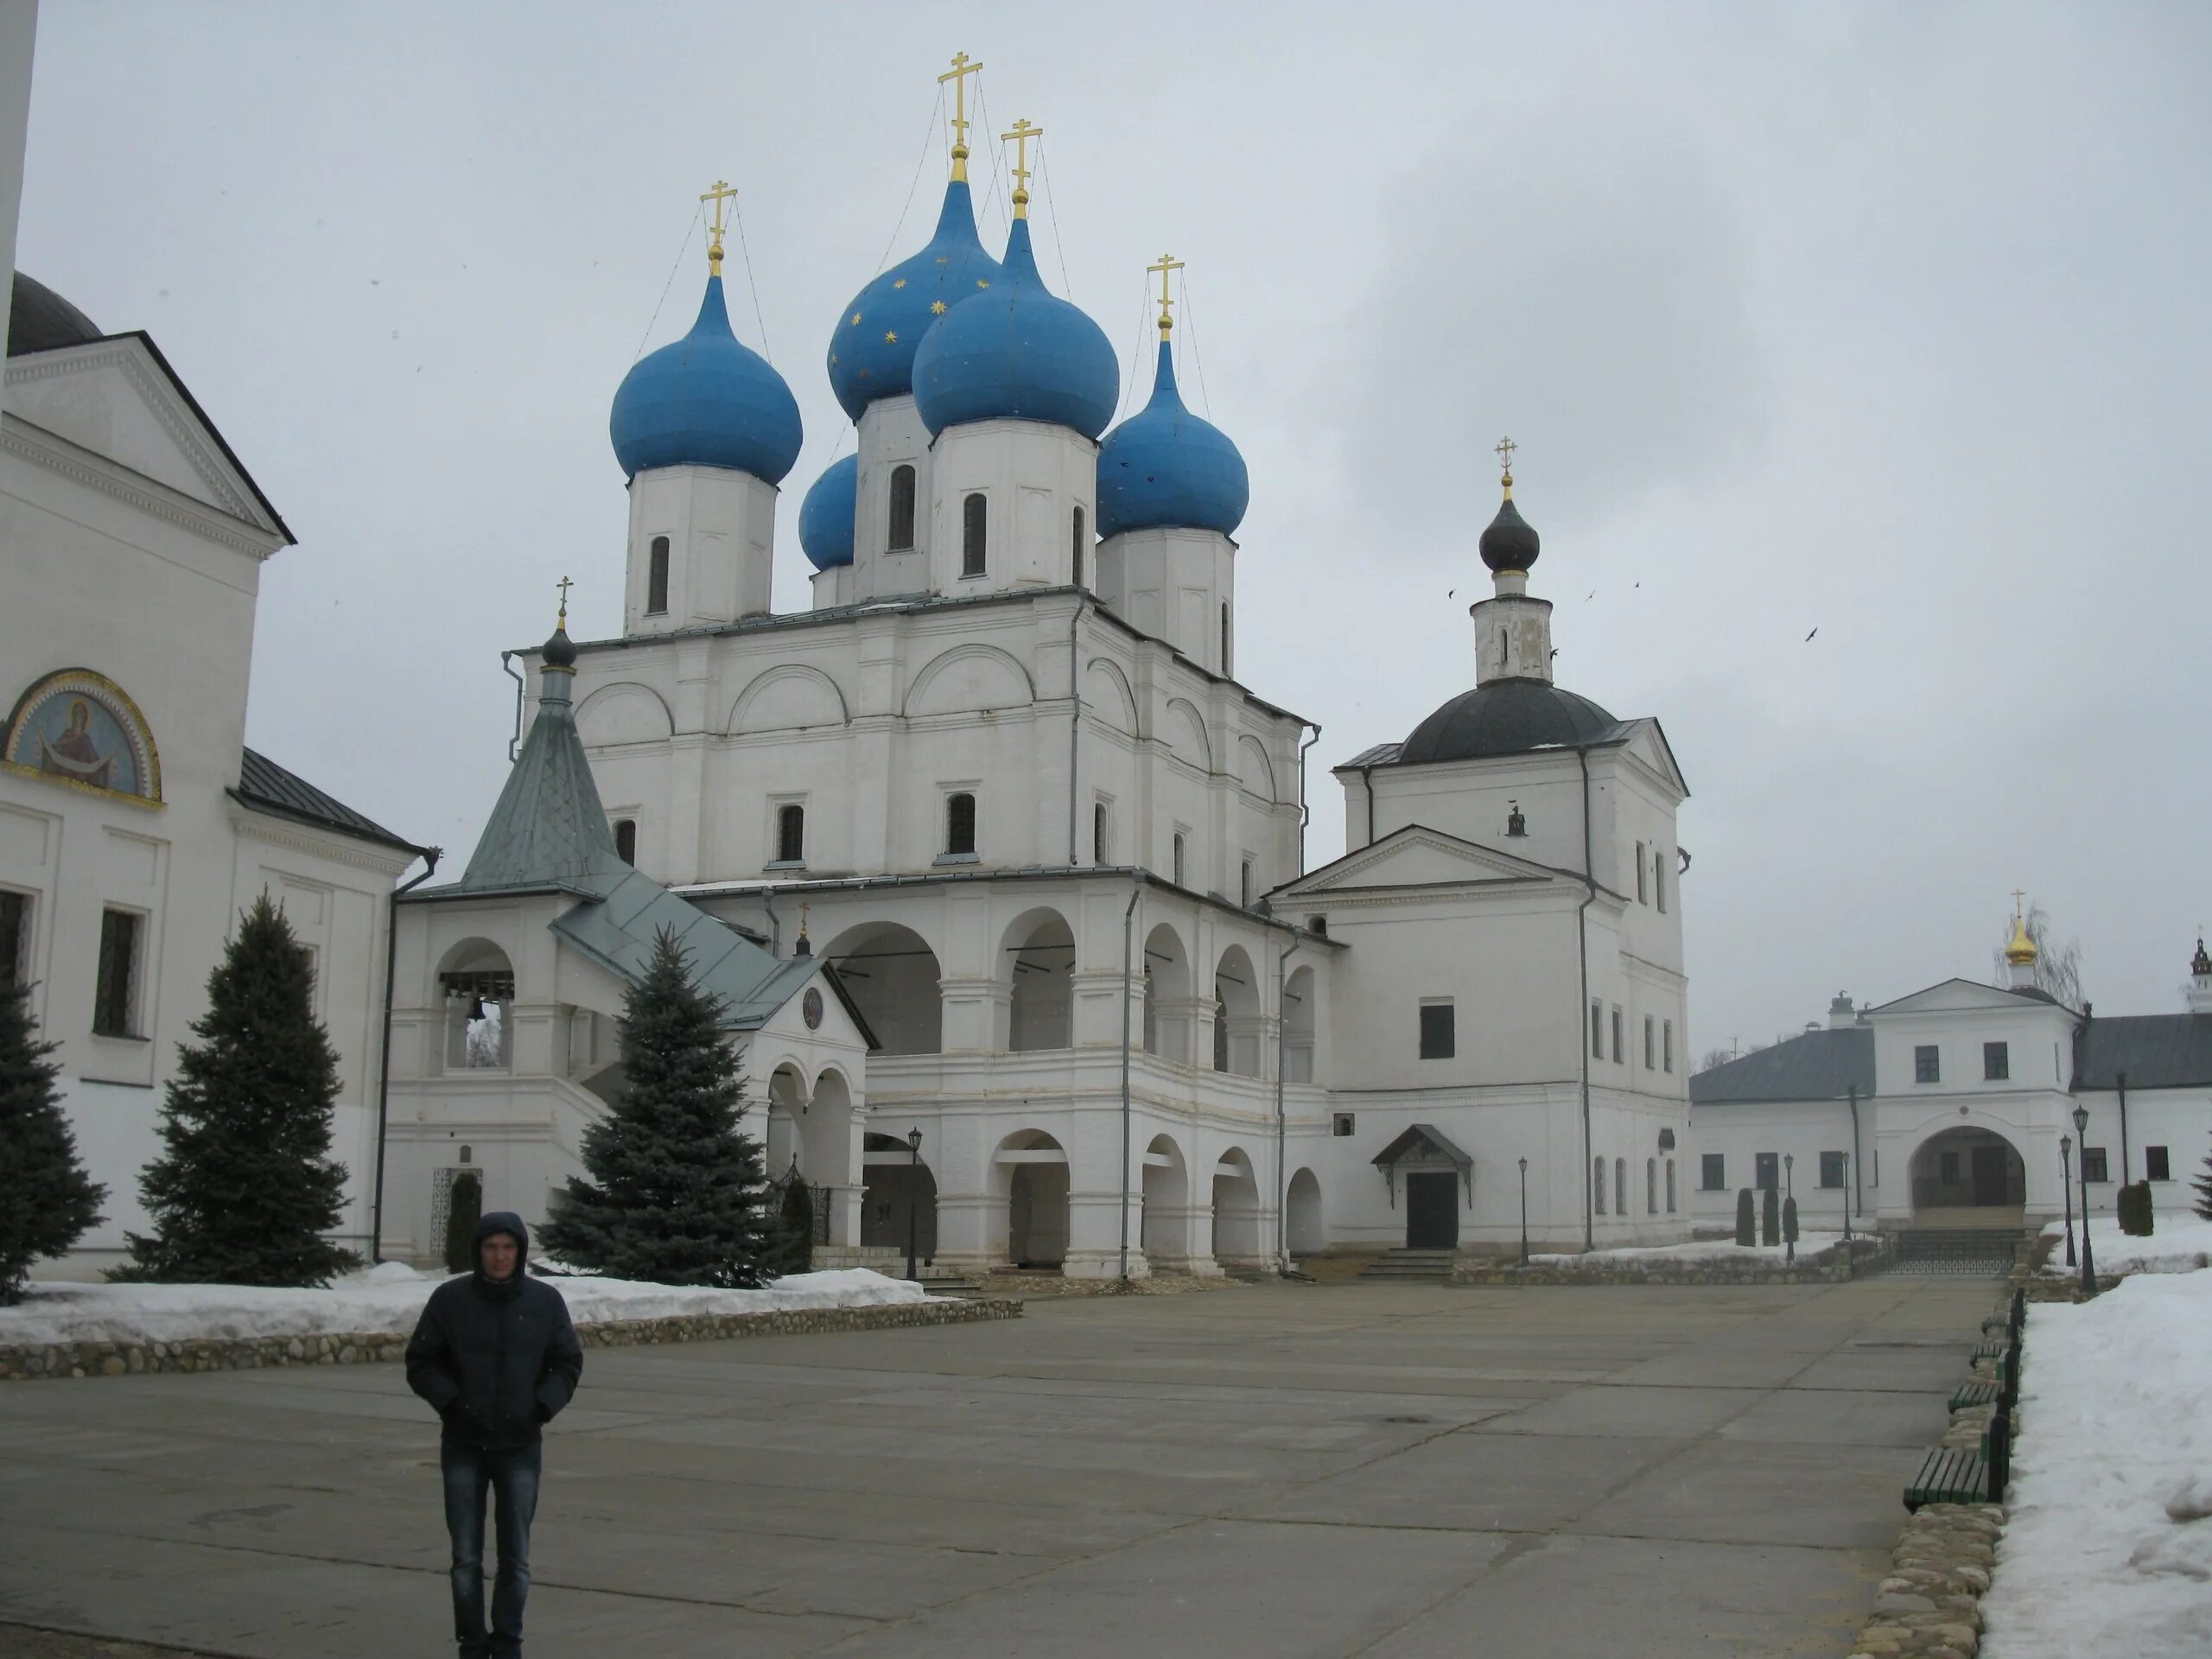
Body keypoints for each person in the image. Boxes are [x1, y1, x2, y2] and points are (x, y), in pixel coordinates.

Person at [405, 1211, 584, 1659]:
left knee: (516, 1559)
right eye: (491, 1248)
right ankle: (471, 1640)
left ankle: (507, 1641)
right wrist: (451, 1403)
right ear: (478, 1252)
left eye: (508, 1248)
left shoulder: (544, 1303)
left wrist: (542, 1407)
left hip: (520, 1447)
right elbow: (422, 1361)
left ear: (520, 1252)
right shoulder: (450, 1301)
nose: (500, 1257)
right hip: (463, 1445)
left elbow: (566, 1362)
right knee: (466, 1557)